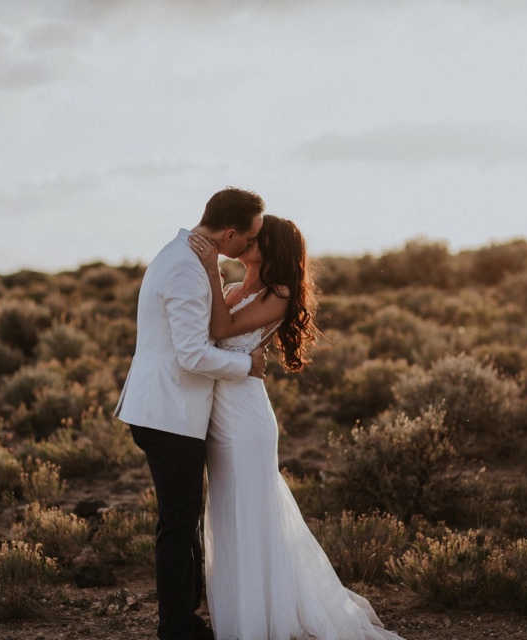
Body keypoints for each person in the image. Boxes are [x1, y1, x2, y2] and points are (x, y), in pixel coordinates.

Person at [189, 215, 404, 640]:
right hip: (219, 414)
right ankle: (245, 612)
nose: (249, 241)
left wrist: (211, 269)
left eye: (257, 238)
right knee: (231, 515)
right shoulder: (234, 289)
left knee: (252, 513)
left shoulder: (280, 294)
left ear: (274, 248)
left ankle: (264, 620)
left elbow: (220, 329)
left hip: (246, 417)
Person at [114, 187, 268, 640]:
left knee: (182, 519)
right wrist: (247, 364)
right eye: (250, 237)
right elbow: (191, 355)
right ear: (230, 232)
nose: (250, 246)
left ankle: (187, 619)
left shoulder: (187, 257)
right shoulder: (184, 266)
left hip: (170, 409)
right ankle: (177, 629)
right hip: (168, 411)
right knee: (179, 524)